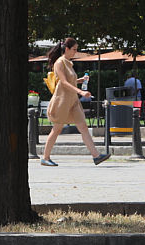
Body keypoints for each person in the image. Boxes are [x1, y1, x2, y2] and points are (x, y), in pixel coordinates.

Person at [41, 38, 110, 167]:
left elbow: (69, 81)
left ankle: (96, 156)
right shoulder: (60, 63)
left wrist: (80, 80)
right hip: (61, 100)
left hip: (72, 101)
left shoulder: (68, 63)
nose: (76, 52)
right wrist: (81, 92)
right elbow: (64, 83)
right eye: (74, 49)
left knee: (83, 127)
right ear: (66, 49)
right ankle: (45, 157)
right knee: (57, 129)